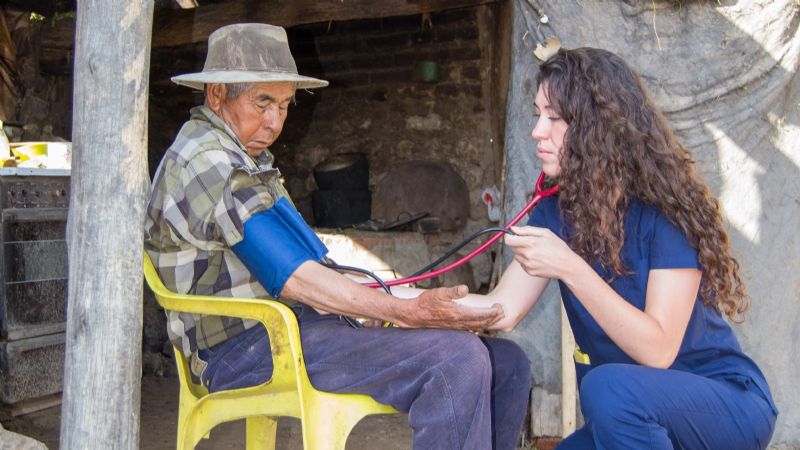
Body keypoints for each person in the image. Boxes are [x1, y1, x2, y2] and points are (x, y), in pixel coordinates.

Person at [144, 23, 531, 450]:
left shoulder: (245, 157)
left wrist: (390, 300)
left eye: (285, 105)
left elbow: (310, 264)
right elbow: (293, 275)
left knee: (507, 363)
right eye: (262, 103)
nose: (275, 122)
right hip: (244, 348)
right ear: (217, 95)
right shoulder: (210, 162)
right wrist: (405, 312)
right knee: (456, 361)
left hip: (293, 328)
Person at [457, 47, 778, 449]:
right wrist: (403, 300)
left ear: (598, 128)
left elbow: (658, 351)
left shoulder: (666, 215)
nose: (537, 130)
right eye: (538, 114)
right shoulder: (554, 214)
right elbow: (502, 309)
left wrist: (571, 267)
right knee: (605, 397)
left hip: (724, 406)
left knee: (606, 388)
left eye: (554, 118)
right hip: (632, 408)